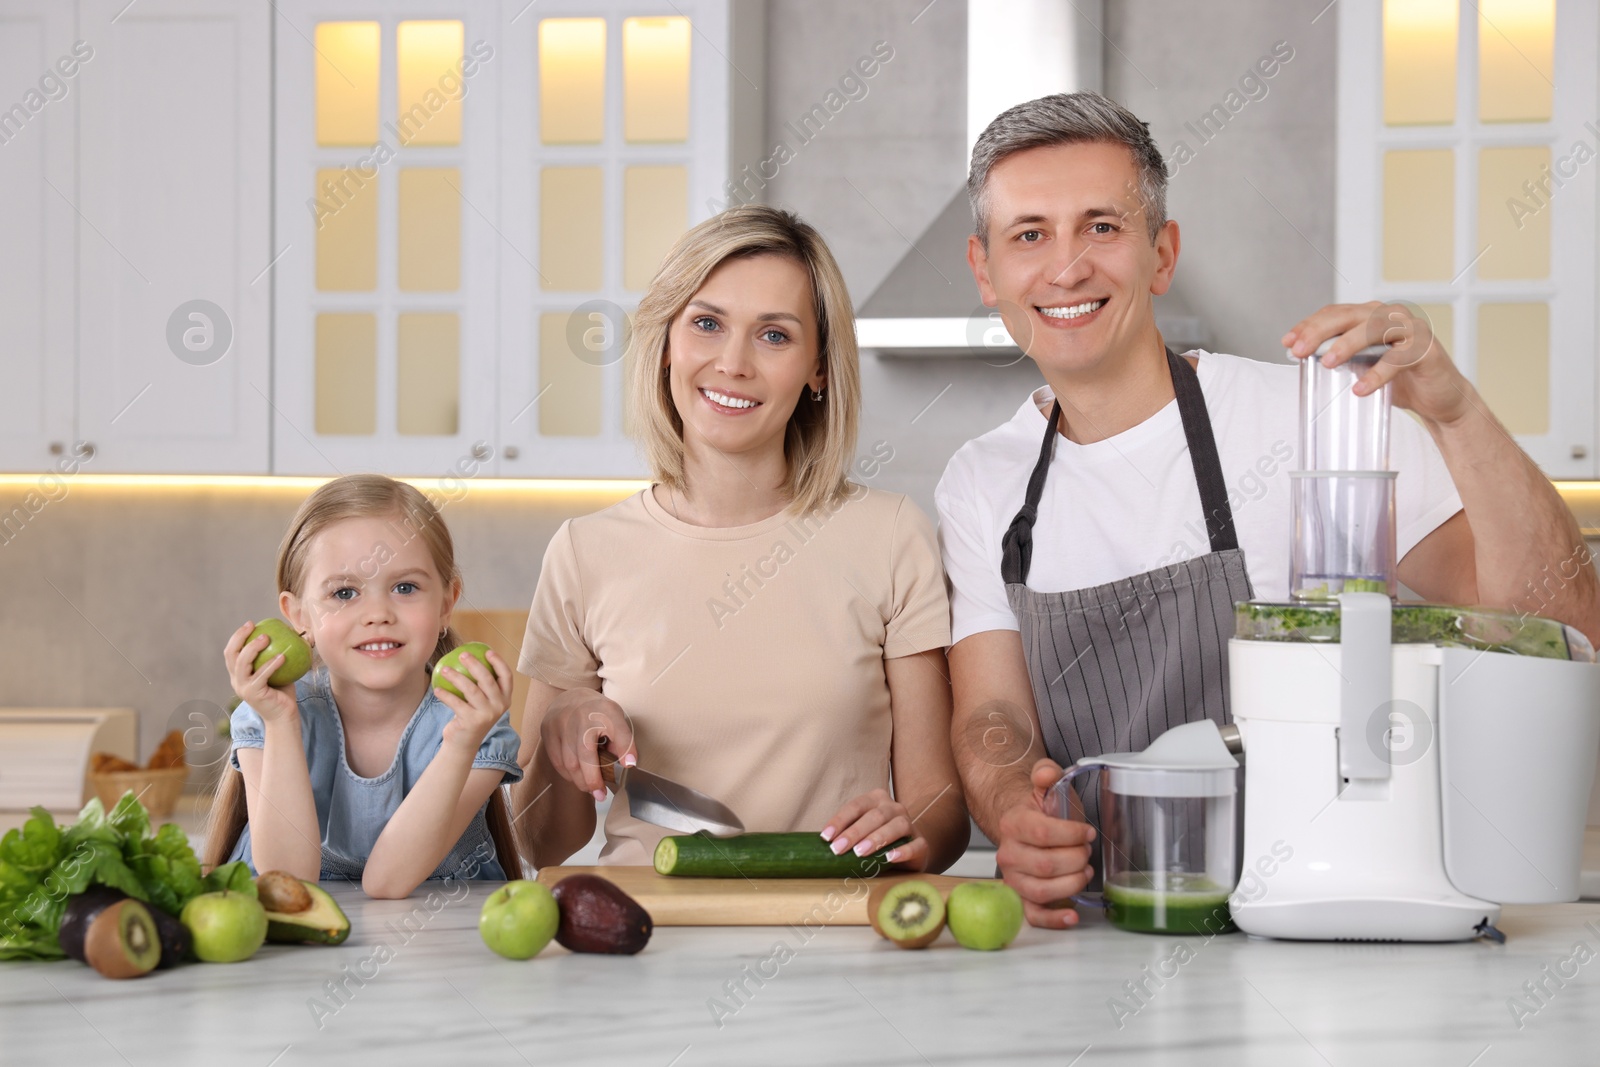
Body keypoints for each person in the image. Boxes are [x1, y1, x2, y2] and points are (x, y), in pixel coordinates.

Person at [937, 92, 1600, 929]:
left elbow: (1560, 631)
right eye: (1030, 234)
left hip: (1335, 919)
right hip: (1112, 926)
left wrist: (1457, 411)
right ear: (985, 270)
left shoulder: (1318, 420)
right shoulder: (982, 481)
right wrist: (1010, 808)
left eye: (1101, 226)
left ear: (1162, 253)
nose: (1067, 268)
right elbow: (993, 713)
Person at [512, 205, 968, 872]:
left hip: (827, 936)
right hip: (640, 942)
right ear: (667, 342)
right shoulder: (584, 552)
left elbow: (941, 811)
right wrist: (559, 738)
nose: (733, 362)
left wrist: (912, 827)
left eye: (775, 336)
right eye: (706, 323)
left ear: (818, 369)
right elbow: (539, 841)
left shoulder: (892, 536)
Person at [204, 474, 523, 897]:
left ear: (447, 603)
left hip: (438, 948)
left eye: (404, 587)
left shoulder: (474, 720)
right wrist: (281, 722)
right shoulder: (270, 715)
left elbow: (387, 882)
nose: (377, 613)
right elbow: (290, 882)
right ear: (298, 615)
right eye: (343, 593)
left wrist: (463, 741)